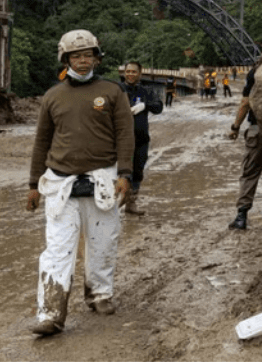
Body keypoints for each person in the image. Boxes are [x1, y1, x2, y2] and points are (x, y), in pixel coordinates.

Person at [25, 29, 134, 336]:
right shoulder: (52, 96)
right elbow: (41, 141)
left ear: (97, 59)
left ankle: (99, 293)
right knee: (58, 248)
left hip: (104, 179)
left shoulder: (112, 92)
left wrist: (125, 174)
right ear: (66, 60)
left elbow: (125, 134)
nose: (83, 61)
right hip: (61, 182)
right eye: (76, 56)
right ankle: (50, 313)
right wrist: (33, 184)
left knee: (103, 241)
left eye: (88, 55)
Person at [227, 65, 262, 231]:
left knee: (249, 172)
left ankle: (241, 217)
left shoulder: (255, 72)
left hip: (256, 128)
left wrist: (235, 127)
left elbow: (245, 102)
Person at [118, 61, 163, 216]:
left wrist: (145, 105)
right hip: (120, 140)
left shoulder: (146, 91)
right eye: (128, 71)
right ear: (124, 73)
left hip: (141, 139)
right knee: (121, 172)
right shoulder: (117, 90)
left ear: (139, 74)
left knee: (137, 172)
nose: (130, 74)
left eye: (133, 72)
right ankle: (112, 205)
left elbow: (159, 107)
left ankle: (131, 203)